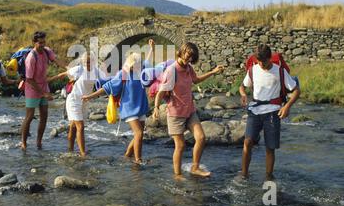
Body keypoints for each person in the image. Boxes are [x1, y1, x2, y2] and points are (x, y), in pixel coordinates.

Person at [153, 42, 224, 180]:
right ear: (182, 52)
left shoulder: (188, 67)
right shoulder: (171, 70)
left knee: (201, 138)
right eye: (188, 55)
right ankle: (177, 175)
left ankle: (195, 167)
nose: (189, 59)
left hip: (190, 110)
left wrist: (213, 72)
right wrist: (156, 108)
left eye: (192, 57)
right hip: (175, 114)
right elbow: (161, 92)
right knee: (180, 145)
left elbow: (196, 80)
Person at [82, 40, 155, 164]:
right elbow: (108, 87)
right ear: (131, 64)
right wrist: (90, 96)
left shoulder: (141, 71)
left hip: (141, 107)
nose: (138, 65)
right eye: (136, 63)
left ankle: (127, 155)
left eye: (139, 63)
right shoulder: (123, 74)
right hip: (129, 108)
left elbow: (147, 62)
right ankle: (138, 160)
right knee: (138, 133)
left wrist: (151, 49)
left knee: (139, 134)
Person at [239, 44, 300, 181]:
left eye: (264, 61)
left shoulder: (280, 71)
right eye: (258, 61)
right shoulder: (253, 70)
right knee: (247, 142)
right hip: (254, 111)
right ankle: (244, 174)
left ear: (270, 58)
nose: (261, 64)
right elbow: (242, 86)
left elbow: (296, 90)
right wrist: (243, 94)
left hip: (273, 112)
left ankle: (268, 177)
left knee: (269, 147)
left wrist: (287, 107)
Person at [48, 51, 107, 157]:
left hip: (85, 101)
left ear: (93, 62)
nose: (87, 64)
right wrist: (48, 80)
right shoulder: (79, 69)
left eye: (89, 62)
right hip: (73, 100)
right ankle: (83, 153)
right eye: (85, 62)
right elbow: (63, 74)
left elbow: (106, 81)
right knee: (80, 126)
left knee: (73, 127)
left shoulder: (96, 71)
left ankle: (70, 149)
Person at [20, 31, 68, 151]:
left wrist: (69, 69)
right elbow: (29, 79)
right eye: (39, 43)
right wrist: (44, 93)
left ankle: (39, 142)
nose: (42, 45)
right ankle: (24, 143)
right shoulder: (31, 57)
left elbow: (57, 60)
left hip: (44, 86)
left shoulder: (47, 51)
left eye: (43, 42)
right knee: (29, 117)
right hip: (32, 88)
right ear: (34, 43)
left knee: (44, 116)